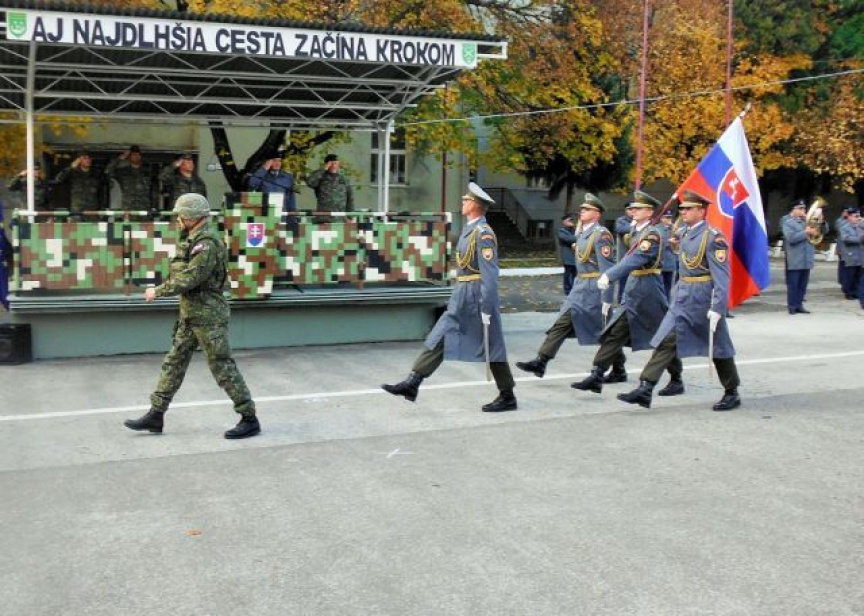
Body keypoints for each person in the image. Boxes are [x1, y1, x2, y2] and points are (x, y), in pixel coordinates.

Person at [123, 193, 260, 439]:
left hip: (208, 316)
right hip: (190, 314)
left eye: (180, 215)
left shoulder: (206, 243)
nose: (177, 219)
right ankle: (156, 414)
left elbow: (191, 277)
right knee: (174, 362)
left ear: (190, 216)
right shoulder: (192, 238)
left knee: (222, 365)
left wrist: (158, 291)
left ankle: (249, 418)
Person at [381, 182, 517, 412]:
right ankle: (413, 381)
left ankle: (507, 396)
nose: (462, 202)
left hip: (477, 294)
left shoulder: (483, 233)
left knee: (491, 344)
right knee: (442, 334)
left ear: (475, 205)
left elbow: (490, 274)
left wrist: (486, 307)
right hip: (463, 293)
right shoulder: (470, 230)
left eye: (466, 200)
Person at [616, 190, 742, 411]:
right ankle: (646, 387)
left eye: (689, 208)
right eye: (682, 208)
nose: (683, 212)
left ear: (701, 211)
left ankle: (732, 391)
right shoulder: (683, 233)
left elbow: (722, 276)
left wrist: (718, 306)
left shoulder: (713, 237)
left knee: (718, 346)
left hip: (702, 297)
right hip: (682, 295)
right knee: (666, 340)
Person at [571, 190, 673, 396]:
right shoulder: (636, 231)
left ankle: (676, 378)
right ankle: (597, 374)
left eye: (638, 208)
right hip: (634, 288)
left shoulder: (653, 234)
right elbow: (627, 257)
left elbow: (636, 258)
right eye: (632, 208)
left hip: (649, 290)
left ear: (650, 212)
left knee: (662, 337)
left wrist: (609, 275)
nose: (633, 211)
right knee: (614, 332)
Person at [515, 193, 619, 380]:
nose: (582, 211)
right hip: (580, 287)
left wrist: (607, 299)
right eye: (582, 208)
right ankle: (541, 361)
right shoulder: (583, 233)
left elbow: (608, 269)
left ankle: (619, 368)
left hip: (594, 289)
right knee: (562, 323)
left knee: (604, 330)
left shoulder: (601, 235)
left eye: (587, 209)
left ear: (597, 214)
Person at [781, 199, 824, 314]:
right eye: (800, 209)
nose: (803, 211)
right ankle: (792, 306)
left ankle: (799, 305)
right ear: (793, 210)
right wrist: (806, 232)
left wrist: (821, 221)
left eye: (804, 208)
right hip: (795, 258)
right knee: (793, 284)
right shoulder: (788, 222)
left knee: (803, 285)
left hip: (807, 257)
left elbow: (823, 231)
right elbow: (791, 238)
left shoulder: (807, 221)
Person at [53, 148, 103, 216]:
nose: (88, 160)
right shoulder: (72, 172)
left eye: (89, 158)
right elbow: (58, 179)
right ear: (79, 160)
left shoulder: (96, 173)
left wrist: (101, 208)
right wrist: (70, 167)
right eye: (84, 158)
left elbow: (101, 192)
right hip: (77, 209)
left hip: (92, 209)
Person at [247, 149, 297, 214]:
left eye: (279, 161)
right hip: (266, 215)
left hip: (282, 214)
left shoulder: (287, 177)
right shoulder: (261, 175)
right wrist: (264, 168)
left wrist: (292, 216)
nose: (277, 163)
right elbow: (252, 184)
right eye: (274, 160)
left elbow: (291, 199)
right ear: (268, 162)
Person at [105, 145, 153, 211]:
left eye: (138, 154)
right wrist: (119, 159)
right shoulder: (123, 172)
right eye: (133, 155)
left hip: (144, 207)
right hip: (128, 207)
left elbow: (152, 190)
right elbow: (107, 171)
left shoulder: (147, 171)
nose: (136, 156)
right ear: (129, 157)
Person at [838, 208, 863, 307]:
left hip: (860, 254)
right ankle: (848, 292)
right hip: (850, 254)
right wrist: (860, 239)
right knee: (849, 275)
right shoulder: (845, 227)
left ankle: (856, 291)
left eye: (858, 216)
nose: (857, 218)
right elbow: (846, 239)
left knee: (858, 275)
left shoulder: (860, 226)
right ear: (849, 217)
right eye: (855, 216)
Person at [614, 208, 634, 303]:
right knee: (624, 280)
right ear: (626, 210)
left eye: (634, 209)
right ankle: (621, 300)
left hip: (636, 256)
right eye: (630, 209)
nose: (632, 211)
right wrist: (635, 226)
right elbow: (620, 229)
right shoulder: (621, 220)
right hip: (624, 255)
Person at [658, 210, 678, 299]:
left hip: (670, 260)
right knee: (659, 285)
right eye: (667, 217)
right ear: (662, 218)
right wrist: (668, 241)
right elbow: (657, 241)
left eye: (670, 217)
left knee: (668, 285)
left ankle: (667, 301)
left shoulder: (674, 228)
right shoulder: (657, 228)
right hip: (661, 260)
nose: (669, 219)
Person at [558, 212, 578, 295]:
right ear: (564, 222)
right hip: (568, 257)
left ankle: (574, 289)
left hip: (575, 257)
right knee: (568, 274)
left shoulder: (574, 230)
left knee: (575, 274)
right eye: (569, 220)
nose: (571, 222)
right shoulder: (561, 231)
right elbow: (570, 239)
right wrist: (579, 236)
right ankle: (567, 290)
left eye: (572, 220)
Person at [835, 208, 853, 299]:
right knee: (843, 267)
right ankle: (843, 283)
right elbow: (841, 229)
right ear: (843, 212)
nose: (848, 213)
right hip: (842, 248)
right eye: (846, 212)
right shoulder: (839, 221)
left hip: (850, 250)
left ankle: (848, 285)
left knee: (848, 268)